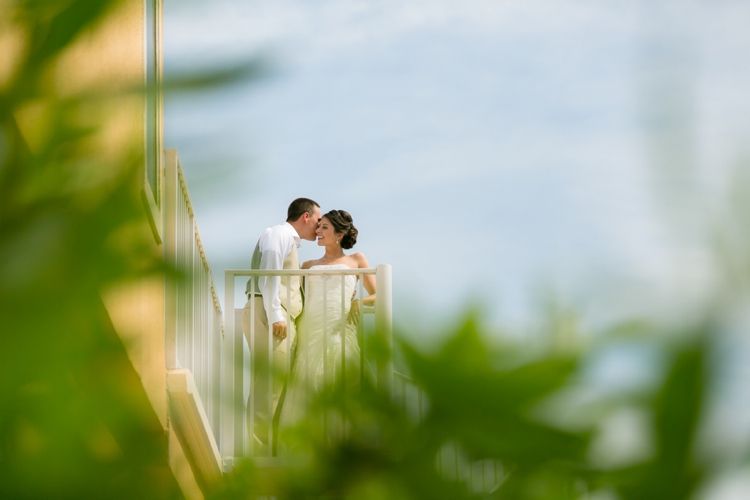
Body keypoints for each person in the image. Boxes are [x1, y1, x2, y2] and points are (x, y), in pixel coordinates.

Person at [278, 209, 376, 439]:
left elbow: (378, 294)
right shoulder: (307, 265)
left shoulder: (356, 260)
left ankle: (343, 437)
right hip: (310, 327)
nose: (318, 231)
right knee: (309, 379)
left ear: (339, 234)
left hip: (339, 325)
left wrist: (358, 303)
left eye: (324, 228)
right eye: (318, 226)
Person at [241, 197, 321, 453]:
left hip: (282, 318)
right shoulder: (279, 233)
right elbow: (270, 272)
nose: (320, 227)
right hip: (271, 314)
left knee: (281, 387)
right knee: (269, 386)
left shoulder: (292, 243)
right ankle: (258, 453)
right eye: (319, 220)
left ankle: (271, 450)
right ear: (306, 216)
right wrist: (275, 313)